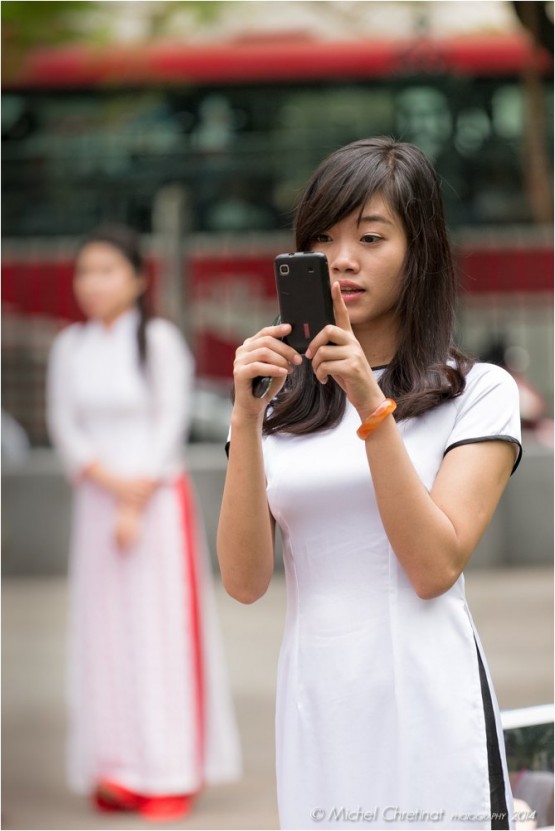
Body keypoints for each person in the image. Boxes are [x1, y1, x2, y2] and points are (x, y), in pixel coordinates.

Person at [218, 138, 522, 830]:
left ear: (421, 251)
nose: (341, 259)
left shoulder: (475, 392)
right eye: (321, 239)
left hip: (426, 697)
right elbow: (242, 579)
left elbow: (431, 566)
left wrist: (368, 402)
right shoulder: (273, 406)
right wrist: (245, 413)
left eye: (370, 236)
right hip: (317, 703)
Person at [47, 225, 241, 822]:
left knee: (161, 635)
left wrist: (135, 500)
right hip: (98, 509)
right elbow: (65, 428)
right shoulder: (70, 348)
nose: (94, 284)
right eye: (85, 272)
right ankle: (115, 765)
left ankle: (168, 768)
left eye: (107, 270)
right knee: (102, 634)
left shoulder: (158, 341)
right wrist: (110, 487)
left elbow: (168, 426)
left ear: (136, 278)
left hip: (156, 509)